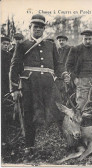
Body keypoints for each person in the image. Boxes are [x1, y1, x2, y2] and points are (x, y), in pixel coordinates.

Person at [9, 14, 64, 152]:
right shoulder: (22, 45)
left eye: (41, 27)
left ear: (44, 29)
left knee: (58, 111)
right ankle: (29, 145)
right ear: (30, 28)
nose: (38, 29)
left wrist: (64, 74)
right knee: (28, 113)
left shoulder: (51, 45)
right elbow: (14, 67)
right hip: (29, 86)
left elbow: (58, 64)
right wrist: (14, 89)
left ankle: (66, 140)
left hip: (49, 84)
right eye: (35, 27)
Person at [65, 29, 92, 126]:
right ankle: (78, 127)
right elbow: (68, 65)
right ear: (82, 38)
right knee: (82, 104)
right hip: (82, 79)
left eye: (89, 39)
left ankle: (89, 127)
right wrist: (74, 78)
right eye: (85, 39)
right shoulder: (75, 49)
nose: (87, 41)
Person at [1, 36, 12, 145]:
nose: (5, 46)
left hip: (5, 86)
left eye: (7, 44)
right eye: (3, 43)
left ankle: (4, 138)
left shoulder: (9, 56)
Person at [56, 35, 72, 104]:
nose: (61, 42)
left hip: (67, 73)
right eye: (59, 40)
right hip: (59, 75)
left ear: (66, 41)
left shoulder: (70, 49)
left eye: (63, 40)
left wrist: (68, 73)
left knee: (68, 93)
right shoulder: (57, 50)